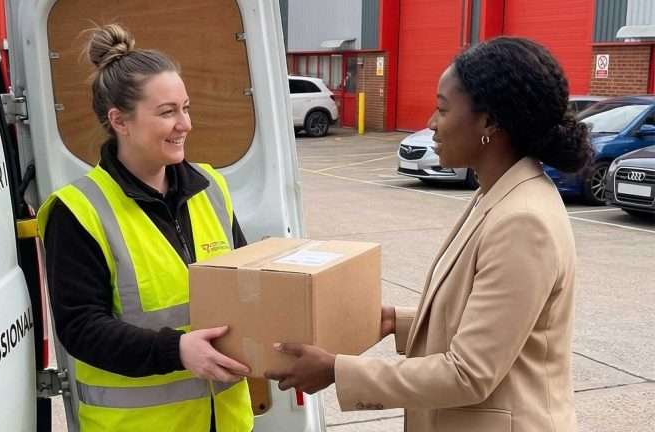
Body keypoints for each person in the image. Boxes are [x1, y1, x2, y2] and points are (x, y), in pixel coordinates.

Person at [265, 36, 591, 432]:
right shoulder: (498, 194)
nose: (431, 125)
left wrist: (337, 371)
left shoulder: (523, 221)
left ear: (489, 122)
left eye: (442, 110)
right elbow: (483, 318)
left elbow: (470, 373)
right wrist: (394, 321)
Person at [37, 24, 254, 432]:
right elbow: (81, 327)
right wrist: (177, 350)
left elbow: (246, 284)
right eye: (167, 112)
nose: (185, 124)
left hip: (224, 421)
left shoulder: (210, 188)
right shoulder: (78, 210)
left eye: (185, 107)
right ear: (120, 121)